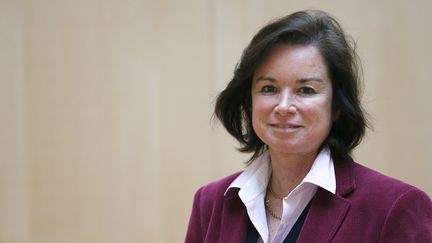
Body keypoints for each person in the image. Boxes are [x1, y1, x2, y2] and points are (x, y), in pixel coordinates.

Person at [185, 9, 432, 243]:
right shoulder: (211, 203)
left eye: (306, 90)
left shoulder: (395, 207)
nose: (283, 106)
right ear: (249, 101)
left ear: (337, 105)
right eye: (269, 88)